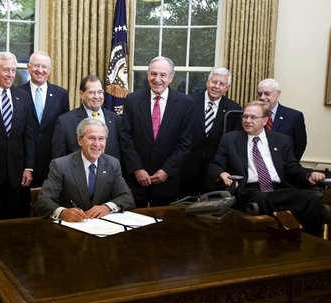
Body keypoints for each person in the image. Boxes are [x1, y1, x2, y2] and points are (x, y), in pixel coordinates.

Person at [207, 101, 325, 236]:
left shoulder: (282, 140)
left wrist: (309, 174)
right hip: (250, 190)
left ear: (264, 120)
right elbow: (215, 166)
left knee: (311, 200)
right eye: (245, 117)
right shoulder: (230, 139)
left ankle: (310, 241)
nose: (247, 121)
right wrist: (222, 173)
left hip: (278, 189)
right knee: (260, 199)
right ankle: (280, 237)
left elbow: (292, 167)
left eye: (253, 117)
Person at [120, 56, 194, 207]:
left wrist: (167, 171)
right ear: (148, 75)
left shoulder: (185, 103)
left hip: (168, 182)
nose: (157, 79)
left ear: (171, 78)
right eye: (153, 74)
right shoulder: (132, 100)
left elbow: (185, 143)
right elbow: (125, 137)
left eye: (163, 75)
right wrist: (137, 169)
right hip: (136, 182)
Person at [35, 118, 134, 221]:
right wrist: (62, 213)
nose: (97, 144)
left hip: (102, 228)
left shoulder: (113, 164)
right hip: (70, 228)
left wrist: (107, 207)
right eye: (91, 138)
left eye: (101, 139)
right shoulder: (60, 165)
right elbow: (43, 201)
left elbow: (127, 197)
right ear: (79, 140)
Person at [0, 51, 36, 219]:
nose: (10, 75)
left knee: (10, 223)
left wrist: (28, 167)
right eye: (6, 70)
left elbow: (28, 134)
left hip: (15, 172)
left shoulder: (23, 96)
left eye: (13, 70)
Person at [180, 67, 242, 197]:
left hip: (216, 172)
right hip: (187, 169)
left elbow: (235, 142)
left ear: (227, 87)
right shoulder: (188, 102)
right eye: (214, 82)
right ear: (207, 82)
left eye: (222, 84)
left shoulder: (234, 109)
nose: (216, 86)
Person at [18, 51, 70, 187]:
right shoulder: (17, 93)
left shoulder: (62, 94)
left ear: (50, 69)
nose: (40, 70)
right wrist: (26, 165)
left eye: (44, 67)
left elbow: (65, 132)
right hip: (23, 166)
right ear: (28, 67)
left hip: (52, 164)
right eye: (36, 66)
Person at [52, 75, 122, 160]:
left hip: (110, 173)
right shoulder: (65, 122)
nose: (96, 96)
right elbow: (59, 160)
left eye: (100, 92)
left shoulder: (116, 120)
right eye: (92, 92)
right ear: (81, 94)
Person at [257, 78, 307, 161]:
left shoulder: (294, 116)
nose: (262, 97)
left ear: (278, 93)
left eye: (267, 93)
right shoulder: (251, 115)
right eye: (259, 94)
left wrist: (291, 165)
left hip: (284, 167)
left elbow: (300, 145)